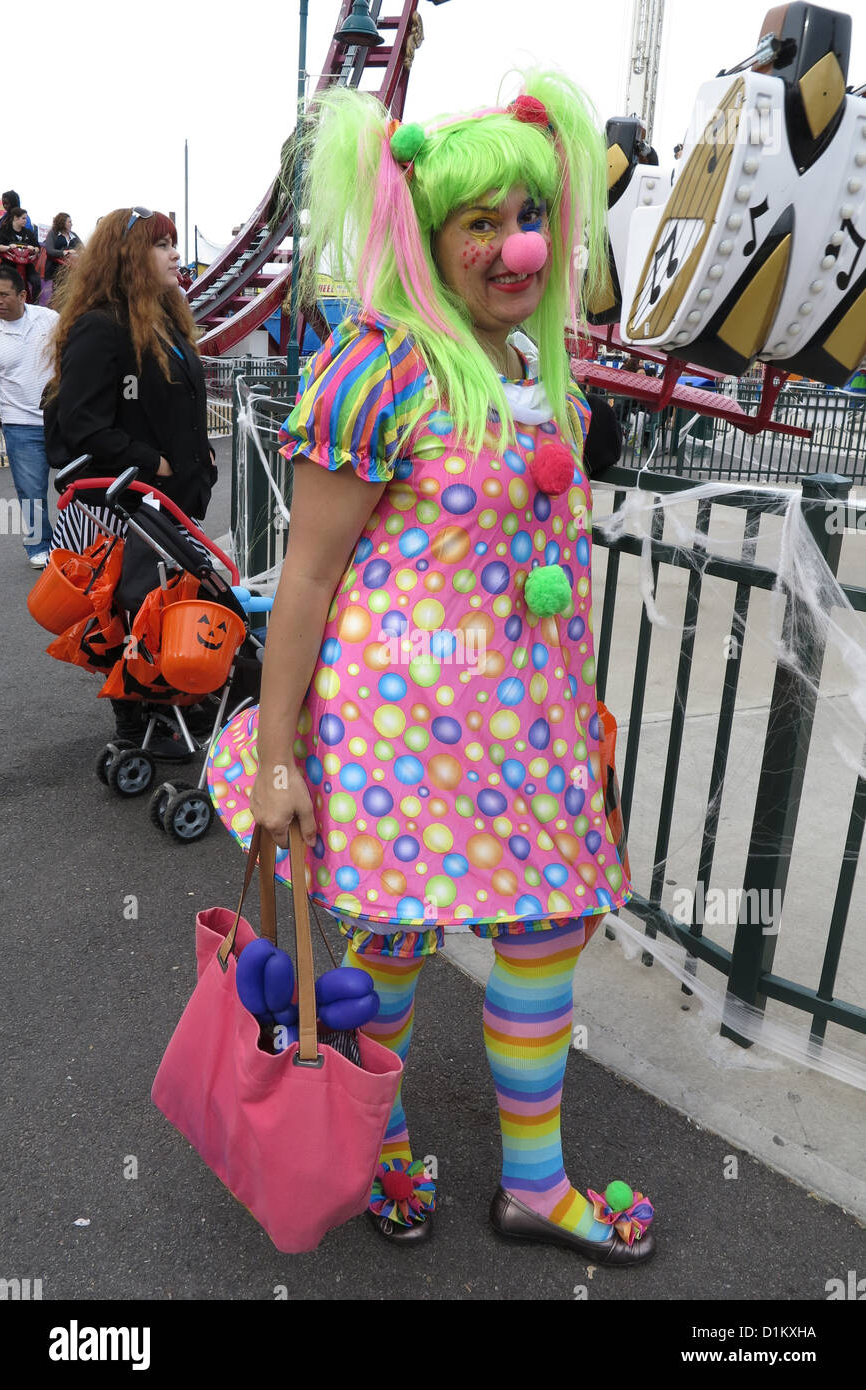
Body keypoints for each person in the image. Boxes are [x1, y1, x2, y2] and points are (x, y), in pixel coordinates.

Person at [245, 72, 656, 1262]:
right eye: (481, 223)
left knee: (543, 936)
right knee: (387, 953)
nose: (515, 244)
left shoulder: (548, 376)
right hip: (397, 730)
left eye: (530, 216)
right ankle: (375, 1150)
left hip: (530, 728)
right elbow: (308, 579)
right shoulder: (382, 369)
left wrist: (582, 716)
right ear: (431, 239)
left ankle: (535, 1184)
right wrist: (281, 758)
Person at [42, 206, 218, 752]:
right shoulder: (101, 326)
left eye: (173, 244)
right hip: (124, 499)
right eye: (161, 245)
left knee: (165, 600)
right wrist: (152, 462)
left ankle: (169, 701)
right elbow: (81, 422)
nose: (174, 255)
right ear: (130, 258)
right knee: (133, 608)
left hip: (165, 496)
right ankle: (136, 719)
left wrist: (197, 461)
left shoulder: (164, 317)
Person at [0, 263, 57, 565]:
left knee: (80, 486)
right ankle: (38, 548)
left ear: (23, 294)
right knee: (31, 493)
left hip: (60, 420)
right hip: (20, 426)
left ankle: (77, 541)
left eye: (3, 294)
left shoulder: (50, 320)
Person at [0, 207, 42, 302]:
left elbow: (37, 247)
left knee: (36, 281)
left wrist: (34, 249)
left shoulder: (28, 233)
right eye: (23, 218)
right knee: (3, 282)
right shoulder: (4, 230)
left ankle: (35, 304)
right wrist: (8, 247)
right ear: (15, 218)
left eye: (26, 218)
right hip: (8, 264)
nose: (25, 221)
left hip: (26, 264)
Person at [43, 213, 83, 302]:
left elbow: (82, 249)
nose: (71, 224)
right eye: (69, 222)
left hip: (73, 268)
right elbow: (49, 250)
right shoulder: (53, 233)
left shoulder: (74, 235)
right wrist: (65, 252)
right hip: (56, 267)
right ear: (62, 223)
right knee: (58, 293)